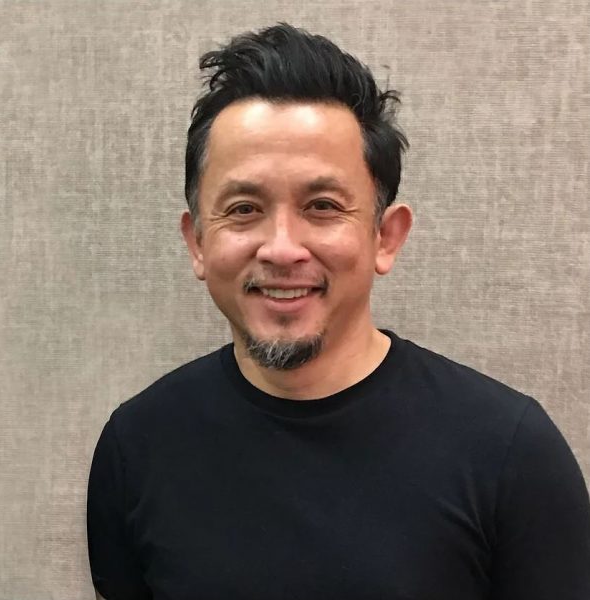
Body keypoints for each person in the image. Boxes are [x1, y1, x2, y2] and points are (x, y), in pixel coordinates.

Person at [87, 22, 590, 600]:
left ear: (385, 237)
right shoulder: (136, 447)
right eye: (244, 208)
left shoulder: (511, 454)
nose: (282, 249)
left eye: (322, 206)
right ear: (197, 241)